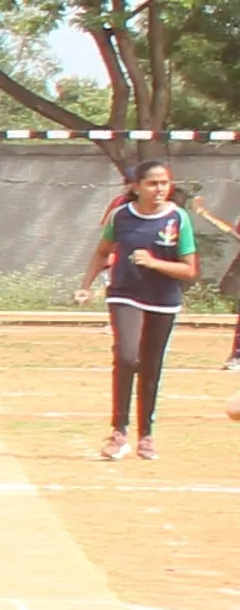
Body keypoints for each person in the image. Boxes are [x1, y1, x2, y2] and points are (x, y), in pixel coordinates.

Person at [86, 157, 195, 462]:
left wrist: (154, 262)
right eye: (152, 183)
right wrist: (86, 284)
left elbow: (190, 271)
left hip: (163, 298)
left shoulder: (178, 219)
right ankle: (118, 431)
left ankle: (146, 435)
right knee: (126, 355)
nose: (160, 188)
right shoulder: (121, 216)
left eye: (164, 182)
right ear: (136, 187)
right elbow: (102, 252)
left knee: (150, 364)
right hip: (125, 294)